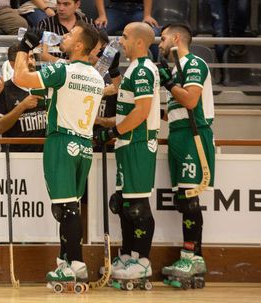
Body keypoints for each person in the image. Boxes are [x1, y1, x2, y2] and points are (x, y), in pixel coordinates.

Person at [14, 21, 104, 284]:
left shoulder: (64, 69)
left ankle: (76, 263)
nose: (63, 36)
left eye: (70, 34)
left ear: (78, 46)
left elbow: (20, 78)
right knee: (70, 207)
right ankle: (66, 260)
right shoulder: (97, 77)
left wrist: (24, 47)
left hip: (62, 141)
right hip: (84, 145)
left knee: (66, 209)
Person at [94, 22, 160, 284]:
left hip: (138, 144)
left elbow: (141, 112)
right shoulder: (133, 69)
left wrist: (114, 133)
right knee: (124, 204)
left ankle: (142, 261)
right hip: (127, 142)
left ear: (140, 43)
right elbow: (126, 111)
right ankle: (128, 255)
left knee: (137, 206)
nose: (121, 41)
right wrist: (105, 125)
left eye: (125, 36)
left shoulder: (143, 70)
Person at [157, 23, 215, 287]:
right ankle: (190, 256)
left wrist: (168, 83)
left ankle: (193, 257)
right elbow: (173, 112)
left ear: (177, 38)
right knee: (183, 199)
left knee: (190, 198)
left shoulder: (194, 63)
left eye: (163, 38)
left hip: (194, 135)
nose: (160, 43)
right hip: (178, 134)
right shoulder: (174, 69)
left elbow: (191, 101)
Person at [0, 43, 47, 152]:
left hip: (44, 155)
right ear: (13, 64)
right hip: (15, 156)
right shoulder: (5, 89)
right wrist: (22, 106)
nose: (30, 62)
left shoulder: (46, 85)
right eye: (25, 59)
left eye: (32, 57)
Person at [94, 0, 160, 60]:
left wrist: (147, 15)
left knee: (153, 32)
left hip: (138, 9)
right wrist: (102, 15)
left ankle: (153, 65)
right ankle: (99, 64)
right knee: (99, 31)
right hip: (115, 8)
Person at [90, 29, 121, 152]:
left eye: (92, 45)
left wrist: (100, 121)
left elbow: (124, 116)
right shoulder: (74, 71)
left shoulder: (115, 78)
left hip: (106, 142)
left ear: (103, 48)